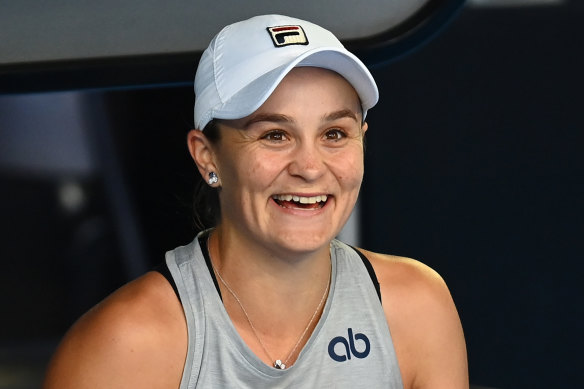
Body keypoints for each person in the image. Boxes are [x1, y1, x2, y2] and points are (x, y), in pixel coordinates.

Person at [43, 14, 468, 388]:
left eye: (334, 134)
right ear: (206, 156)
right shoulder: (126, 344)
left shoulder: (417, 307)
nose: (310, 166)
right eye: (274, 135)